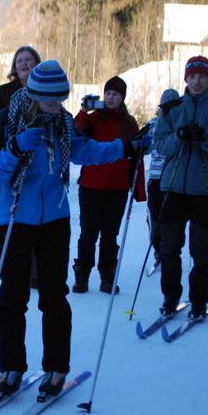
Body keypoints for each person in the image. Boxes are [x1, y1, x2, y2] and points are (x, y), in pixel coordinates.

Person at [0, 60, 148, 399]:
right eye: (50, 100)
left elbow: (85, 150)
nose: (56, 106)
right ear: (33, 94)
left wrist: (126, 148)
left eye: (60, 100)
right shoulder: (7, 120)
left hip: (54, 219)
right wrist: (15, 147)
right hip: (14, 218)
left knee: (54, 296)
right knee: (12, 296)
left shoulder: (63, 123)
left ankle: (56, 367)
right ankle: (11, 367)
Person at [154, 56, 208, 320]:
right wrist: (179, 137)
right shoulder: (172, 109)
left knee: (200, 250)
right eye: (192, 76)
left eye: (202, 76)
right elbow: (160, 146)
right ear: (186, 79)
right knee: (169, 247)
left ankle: (199, 302)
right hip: (173, 186)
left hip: (204, 189)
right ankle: (170, 297)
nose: (197, 81)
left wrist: (205, 140)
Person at [71, 76, 144, 294]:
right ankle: (82, 276)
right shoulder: (92, 118)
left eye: (116, 94)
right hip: (90, 185)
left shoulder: (129, 123)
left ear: (122, 98)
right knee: (88, 234)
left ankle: (107, 277)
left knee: (110, 235)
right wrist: (83, 111)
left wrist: (138, 188)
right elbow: (75, 133)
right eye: (108, 93)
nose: (111, 97)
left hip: (117, 187)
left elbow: (137, 154)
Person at [0, 46, 43, 288]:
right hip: (8, 166)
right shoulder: (3, 93)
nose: (25, 64)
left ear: (37, 64)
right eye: (20, 61)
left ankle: (36, 272)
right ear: (14, 67)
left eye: (29, 60)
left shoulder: (45, 91)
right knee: (12, 218)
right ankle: (12, 271)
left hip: (39, 168)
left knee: (38, 218)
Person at [146, 88, 181, 270]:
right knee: (154, 218)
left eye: (173, 106)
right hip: (155, 178)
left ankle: (170, 253)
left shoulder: (182, 125)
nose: (169, 110)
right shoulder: (153, 124)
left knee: (171, 220)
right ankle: (158, 251)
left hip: (175, 179)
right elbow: (144, 147)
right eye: (166, 107)